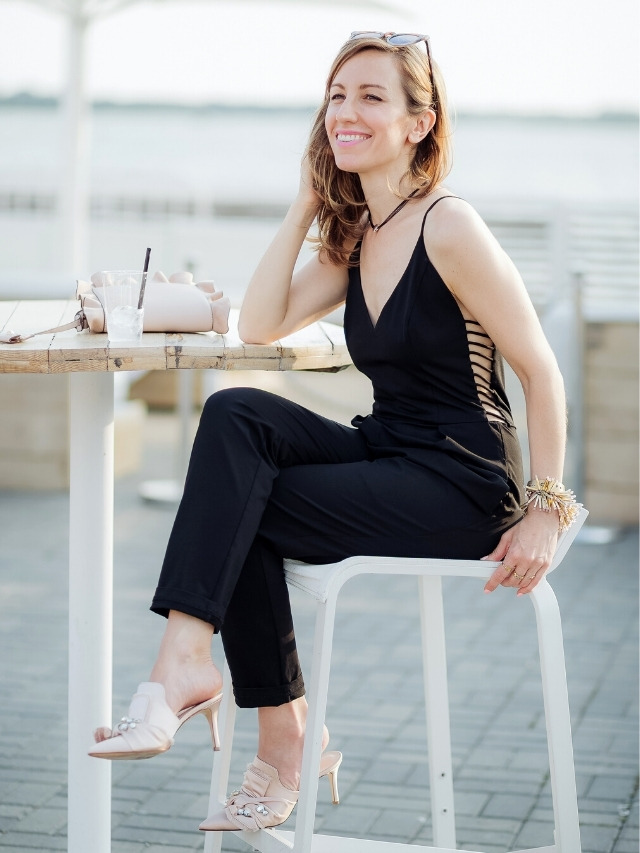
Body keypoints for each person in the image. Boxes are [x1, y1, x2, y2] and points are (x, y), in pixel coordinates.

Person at [89, 31, 579, 834]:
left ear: (420, 123)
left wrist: (547, 508)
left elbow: (541, 370)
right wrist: (308, 205)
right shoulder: (361, 233)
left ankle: (255, 719)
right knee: (236, 414)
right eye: (337, 95)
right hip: (389, 445)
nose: (346, 111)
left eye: (372, 97)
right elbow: (263, 318)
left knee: (242, 505)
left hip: (463, 482)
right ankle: (208, 682)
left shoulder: (449, 226)